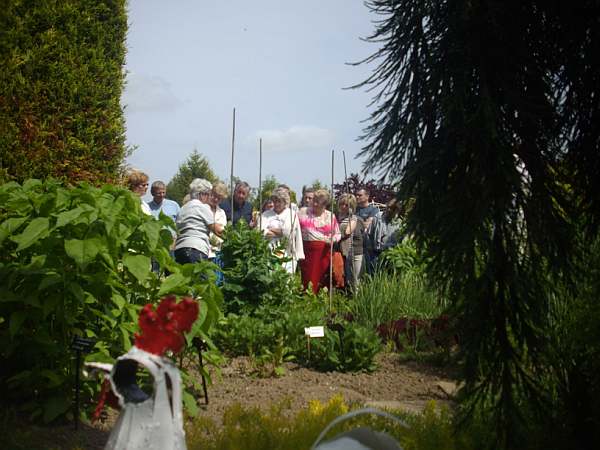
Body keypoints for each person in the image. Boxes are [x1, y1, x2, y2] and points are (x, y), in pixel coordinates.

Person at [297, 189, 340, 293]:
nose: (314, 204)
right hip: (307, 251)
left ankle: (319, 301)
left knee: (320, 278)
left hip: (323, 252)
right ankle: (306, 300)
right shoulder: (303, 212)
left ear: (325, 204)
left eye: (318, 202)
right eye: (314, 200)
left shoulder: (330, 216)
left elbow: (338, 234)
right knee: (307, 277)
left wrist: (332, 240)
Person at [174, 178, 222, 264]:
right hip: (196, 249)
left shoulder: (182, 209)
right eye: (208, 194)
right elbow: (217, 230)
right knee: (199, 277)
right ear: (201, 195)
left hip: (179, 249)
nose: (209, 198)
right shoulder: (202, 207)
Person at [260, 187, 304, 273]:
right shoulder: (266, 214)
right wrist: (280, 232)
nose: (276, 204)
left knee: (286, 278)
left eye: (279, 201)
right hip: (269, 252)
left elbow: (288, 232)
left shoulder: (291, 214)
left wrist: (270, 229)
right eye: (275, 201)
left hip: (287, 252)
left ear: (285, 202)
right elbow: (261, 231)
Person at [337, 193, 365, 289]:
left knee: (356, 280)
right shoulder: (335, 217)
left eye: (346, 205)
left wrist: (334, 235)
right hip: (338, 252)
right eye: (342, 204)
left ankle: (356, 301)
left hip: (352, 252)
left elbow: (347, 232)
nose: (343, 207)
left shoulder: (353, 218)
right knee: (344, 278)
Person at [355, 188, 380, 273]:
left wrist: (356, 221)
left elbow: (367, 225)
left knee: (370, 269)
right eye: (356, 195)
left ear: (367, 196)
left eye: (360, 195)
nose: (357, 197)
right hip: (356, 245)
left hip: (368, 245)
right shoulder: (354, 210)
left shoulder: (374, 210)